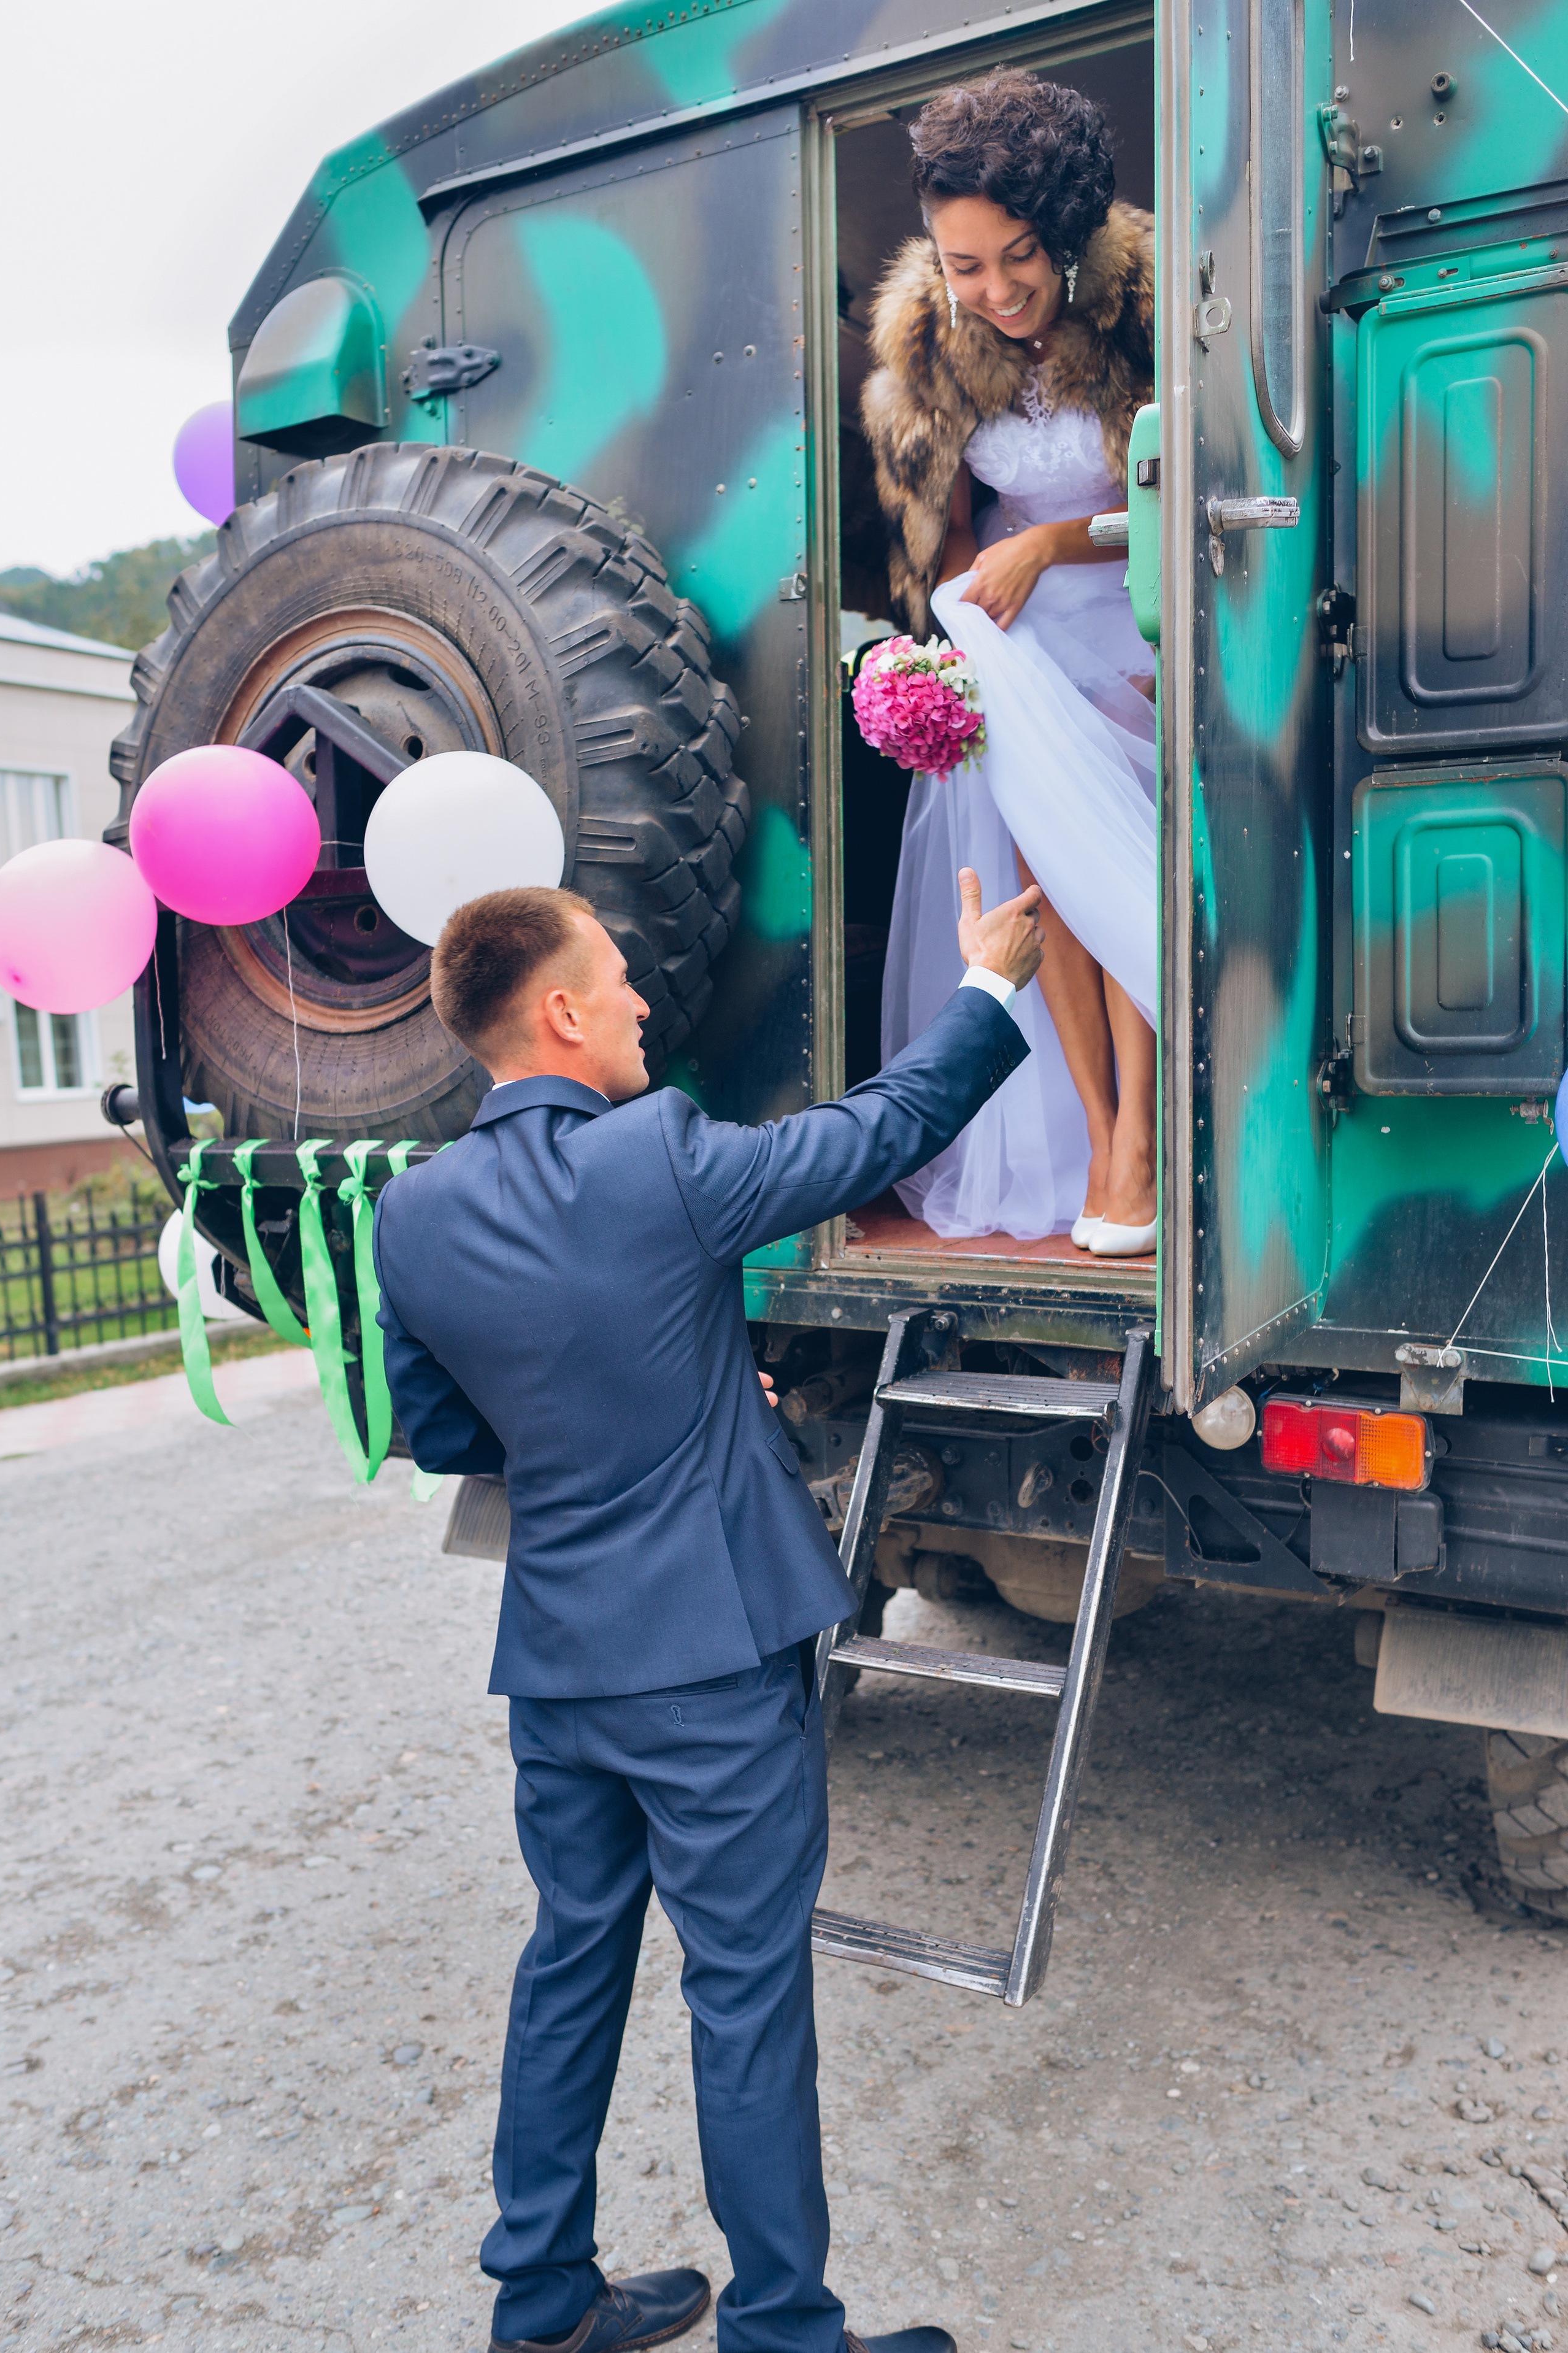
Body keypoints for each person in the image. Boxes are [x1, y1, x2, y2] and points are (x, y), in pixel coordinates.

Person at [372, 869, 1043, 2353]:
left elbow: (441, 1431)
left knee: (569, 1957)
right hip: (709, 1663)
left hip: (559, 1660)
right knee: (742, 1994)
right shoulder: (655, 1155)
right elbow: (881, 1129)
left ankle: (541, 2296)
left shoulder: (411, 1215)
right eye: (612, 976)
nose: (636, 1001)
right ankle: (785, 2332)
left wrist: (637, 1400)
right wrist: (992, 981)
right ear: (554, 1011)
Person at [863, 68, 1159, 1255]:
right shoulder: (928, 349)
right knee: (1052, 892)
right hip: (1020, 645)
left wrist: (1055, 540)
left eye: (1018, 256)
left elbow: (1191, 497)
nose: (993, 290)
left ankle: (1143, 1134)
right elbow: (959, 525)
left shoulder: (1145, 313)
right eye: (963, 264)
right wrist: (938, 652)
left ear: (1072, 232)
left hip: (1141, 622)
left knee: (1119, 879)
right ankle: (1098, 1132)